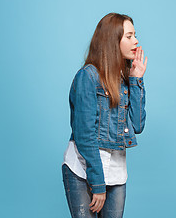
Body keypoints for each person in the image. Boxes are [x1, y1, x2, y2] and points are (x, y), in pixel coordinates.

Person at [62, 13, 147, 218]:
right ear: (112, 40)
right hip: (82, 171)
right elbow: (85, 135)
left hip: (117, 173)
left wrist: (136, 80)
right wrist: (97, 183)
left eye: (135, 35)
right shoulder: (88, 76)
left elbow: (137, 125)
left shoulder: (125, 80)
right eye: (129, 36)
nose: (135, 41)